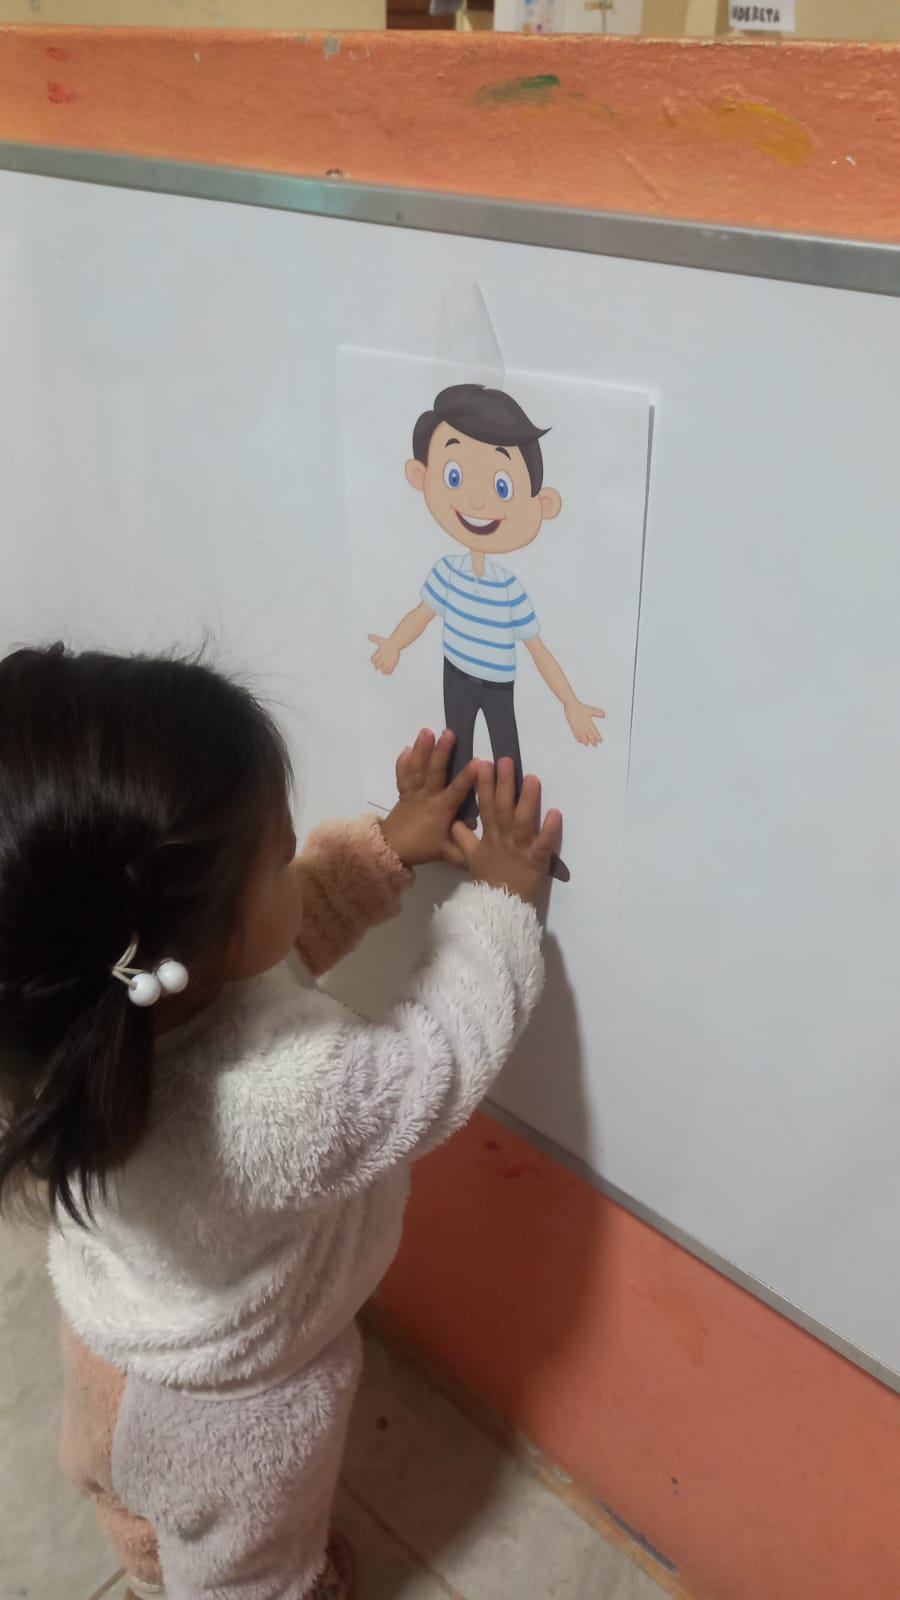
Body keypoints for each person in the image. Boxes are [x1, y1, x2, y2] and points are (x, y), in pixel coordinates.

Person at [0, 644, 560, 1600]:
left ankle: (144, 1560)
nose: (295, 853)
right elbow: (436, 1061)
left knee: (128, 1492)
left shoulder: (68, 1014)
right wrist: (503, 907)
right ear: (196, 938)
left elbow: (274, 938)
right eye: (276, 853)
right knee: (246, 1566)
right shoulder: (283, 1095)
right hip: (232, 1409)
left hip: (109, 1346)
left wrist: (387, 846)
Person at [368, 384, 605, 831]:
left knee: (506, 751)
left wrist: (570, 702)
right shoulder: (447, 572)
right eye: (454, 476)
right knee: (456, 746)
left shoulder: (509, 588)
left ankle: (513, 824)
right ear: (421, 476)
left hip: (498, 683)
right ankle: (463, 814)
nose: (477, 502)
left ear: (542, 504)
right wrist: (396, 644)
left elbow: (538, 650)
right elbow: (422, 614)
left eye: (501, 486)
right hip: (454, 673)